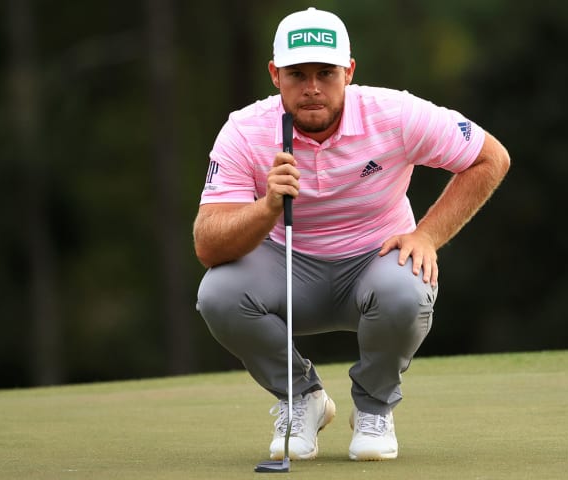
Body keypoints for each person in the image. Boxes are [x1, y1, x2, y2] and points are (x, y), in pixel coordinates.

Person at [194, 7, 510, 462]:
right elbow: (208, 244)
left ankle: (374, 409)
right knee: (218, 294)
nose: (312, 88)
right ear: (274, 74)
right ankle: (302, 398)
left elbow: (490, 157)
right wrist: (266, 208)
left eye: (326, 72)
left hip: (374, 262)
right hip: (287, 270)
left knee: (407, 287)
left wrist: (427, 235)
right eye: (296, 74)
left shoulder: (394, 112)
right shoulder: (245, 130)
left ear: (349, 71)